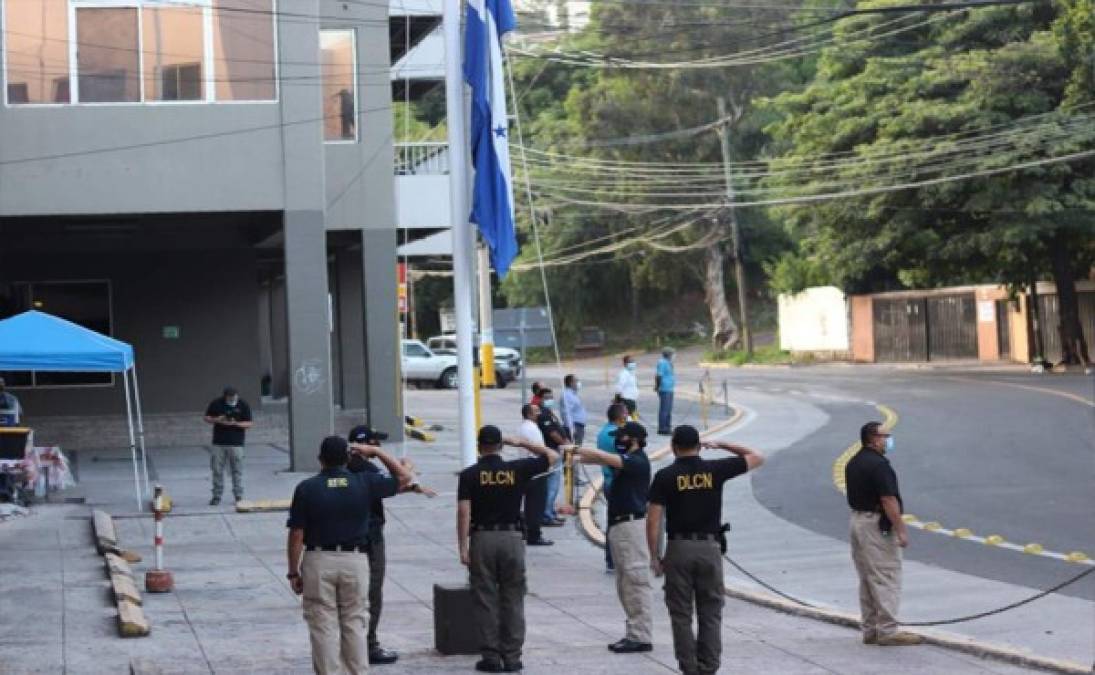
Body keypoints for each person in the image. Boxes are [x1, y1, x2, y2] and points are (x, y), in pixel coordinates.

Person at [286, 436, 413, 674]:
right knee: (355, 622)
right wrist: (376, 451)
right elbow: (405, 478)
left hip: (319, 560)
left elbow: (296, 534)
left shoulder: (307, 488)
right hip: (355, 561)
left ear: (320, 460)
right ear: (348, 458)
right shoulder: (364, 482)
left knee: (322, 624)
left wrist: (293, 571)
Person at [646, 426, 764, 675]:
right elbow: (757, 455)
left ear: (674, 446)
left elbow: (653, 520)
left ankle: (689, 668)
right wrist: (721, 444)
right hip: (709, 548)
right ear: (699, 446)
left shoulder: (665, 476)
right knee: (710, 612)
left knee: (681, 614)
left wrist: (654, 555)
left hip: (678, 548)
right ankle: (708, 668)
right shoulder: (715, 470)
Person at [457, 425, 559, 672]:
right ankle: (512, 657)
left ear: (479, 446)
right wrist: (521, 443)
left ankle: (491, 657)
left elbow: (463, 512)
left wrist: (463, 545)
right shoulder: (517, 469)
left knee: (485, 598)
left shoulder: (470, 474)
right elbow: (553, 457)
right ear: (501, 446)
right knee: (513, 598)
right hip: (512, 538)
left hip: (483, 538)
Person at [346, 425, 438, 665]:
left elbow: (387, 488)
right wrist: (395, 463)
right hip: (370, 539)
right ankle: (368, 645)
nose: (380, 448)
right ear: (367, 446)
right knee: (371, 594)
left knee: (350, 597)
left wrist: (413, 487)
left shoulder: (345, 467)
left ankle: (351, 643)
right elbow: (400, 477)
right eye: (377, 444)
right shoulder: (366, 467)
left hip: (347, 540)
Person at [575, 421, 654, 654]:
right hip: (621, 526)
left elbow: (603, 457)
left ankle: (640, 636)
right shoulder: (627, 462)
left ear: (635, 440)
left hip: (631, 527)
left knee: (635, 582)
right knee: (625, 584)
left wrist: (577, 449)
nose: (619, 440)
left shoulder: (637, 461)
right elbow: (598, 459)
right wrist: (577, 456)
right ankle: (634, 632)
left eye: (624, 437)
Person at [846, 422, 922, 647]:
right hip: (875, 525)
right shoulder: (879, 466)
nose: (889, 439)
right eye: (885, 436)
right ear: (873, 439)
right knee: (886, 575)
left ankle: (870, 629)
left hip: (857, 521)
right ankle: (888, 630)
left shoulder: (854, 462)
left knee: (867, 577)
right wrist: (901, 530)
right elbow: (888, 500)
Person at [202, 387, 253, 505]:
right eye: (230, 398)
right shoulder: (216, 403)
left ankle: (238, 495)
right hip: (219, 443)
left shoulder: (243, 404)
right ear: (225, 397)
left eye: (234, 398)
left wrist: (236, 423)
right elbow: (206, 417)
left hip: (236, 444)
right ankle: (217, 496)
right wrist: (217, 420)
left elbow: (249, 423)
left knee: (237, 470)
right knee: (217, 470)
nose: (232, 400)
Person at [596, 403, 630, 573]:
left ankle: (611, 559)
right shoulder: (615, 435)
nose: (628, 415)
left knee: (613, 521)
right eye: (625, 413)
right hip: (617, 483)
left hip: (608, 480)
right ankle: (614, 559)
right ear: (619, 416)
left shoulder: (602, 432)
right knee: (620, 523)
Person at [518, 404, 553, 546]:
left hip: (527, 468)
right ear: (529, 414)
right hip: (536, 470)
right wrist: (550, 457)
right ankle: (534, 534)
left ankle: (529, 531)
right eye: (536, 411)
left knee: (530, 503)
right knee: (536, 503)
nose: (539, 413)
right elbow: (540, 450)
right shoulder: (531, 429)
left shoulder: (524, 427)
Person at [537, 388, 570, 527]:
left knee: (554, 486)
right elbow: (552, 433)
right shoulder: (543, 415)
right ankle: (546, 515)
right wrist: (565, 443)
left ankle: (550, 512)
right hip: (552, 452)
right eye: (546, 397)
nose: (550, 399)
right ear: (540, 399)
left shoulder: (549, 413)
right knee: (552, 486)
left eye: (551, 396)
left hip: (556, 451)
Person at [561, 374, 588, 446]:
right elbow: (566, 413)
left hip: (579, 425)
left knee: (577, 447)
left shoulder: (573, 394)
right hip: (575, 426)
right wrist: (571, 428)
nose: (579, 383)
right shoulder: (567, 396)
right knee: (575, 448)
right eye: (576, 381)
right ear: (571, 383)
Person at [654, 347, 676, 435]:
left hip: (670, 388)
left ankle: (668, 426)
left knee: (669, 409)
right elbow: (658, 376)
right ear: (669, 354)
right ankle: (662, 428)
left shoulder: (668, 362)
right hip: (664, 388)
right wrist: (657, 386)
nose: (674, 356)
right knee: (664, 409)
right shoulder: (662, 362)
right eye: (673, 354)